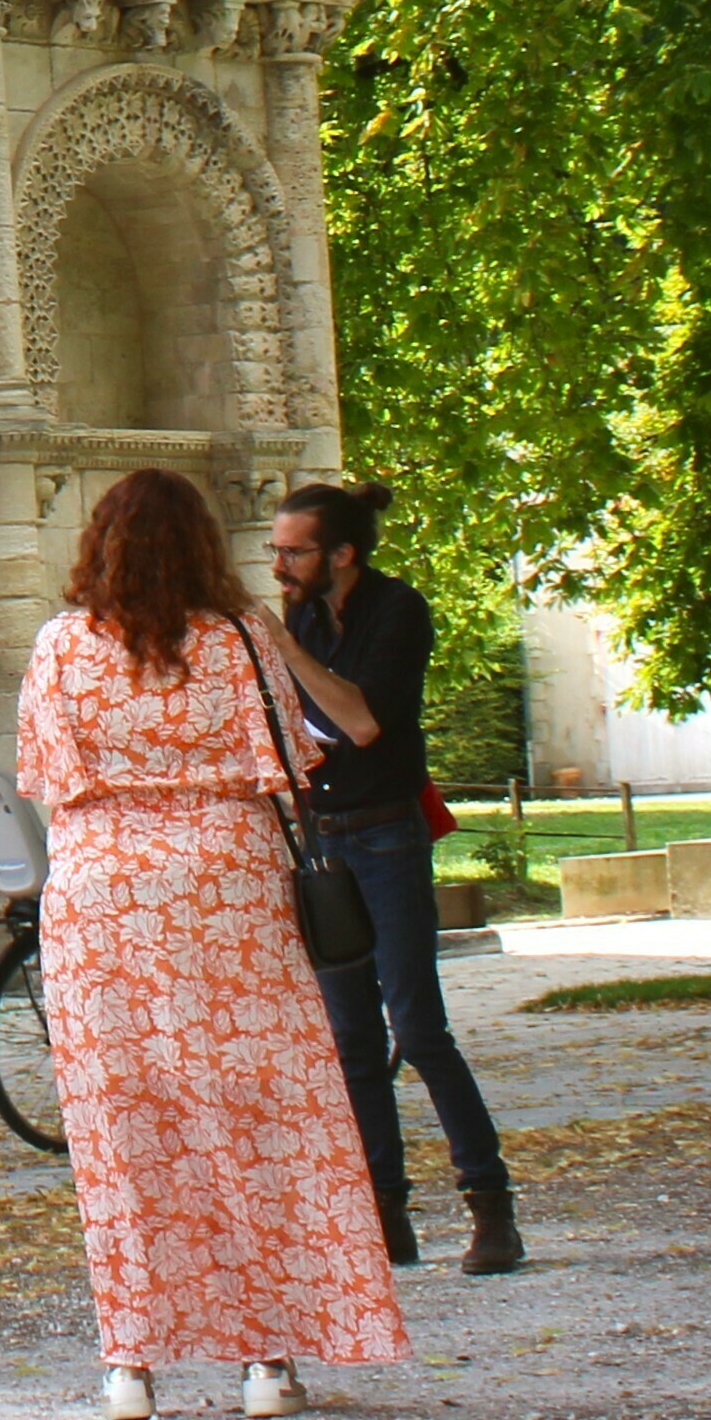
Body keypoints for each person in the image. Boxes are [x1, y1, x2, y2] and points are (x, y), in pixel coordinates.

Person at [10, 463, 408, 1420]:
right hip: (227, 894)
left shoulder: (61, 645)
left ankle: (130, 1362)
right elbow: (295, 762)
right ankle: (262, 1356)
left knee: (121, 1132)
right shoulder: (235, 640)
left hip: (103, 898)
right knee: (251, 1118)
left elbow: (43, 776)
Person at [261, 480, 522, 1275]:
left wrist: (284, 648)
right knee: (348, 1037)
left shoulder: (394, 611)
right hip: (326, 840)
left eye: (293, 550)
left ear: (340, 552)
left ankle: (490, 1205)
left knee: (416, 1024)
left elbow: (363, 719)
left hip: (385, 835)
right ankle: (384, 1214)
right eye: (275, 550)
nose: (279, 565)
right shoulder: (303, 615)